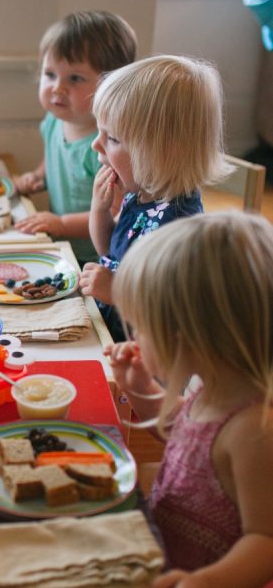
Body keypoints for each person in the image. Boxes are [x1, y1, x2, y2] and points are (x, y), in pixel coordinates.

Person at [105, 211, 273, 587]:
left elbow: (266, 541)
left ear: (188, 336)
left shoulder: (254, 432)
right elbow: (184, 437)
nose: (135, 335)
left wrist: (208, 581)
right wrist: (142, 390)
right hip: (166, 559)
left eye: (141, 325)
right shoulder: (213, 387)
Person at [79, 54, 231, 341]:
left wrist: (116, 291)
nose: (95, 143)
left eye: (112, 138)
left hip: (145, 360)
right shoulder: (142, 195)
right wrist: (99, 211)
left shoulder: (180, 225)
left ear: (160, 152)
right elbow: (110, 253)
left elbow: (171, 312)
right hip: (110, 332)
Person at [13, 10, 137, 264]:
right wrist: (38, 176)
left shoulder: (107, 148)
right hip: (61, 248)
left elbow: (115, 212)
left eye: (75, 78)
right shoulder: (55, 121)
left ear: (111, 85)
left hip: (96, 258)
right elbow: (54, 156)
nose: (57, 87)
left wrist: (62, 224)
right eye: (50, 74)